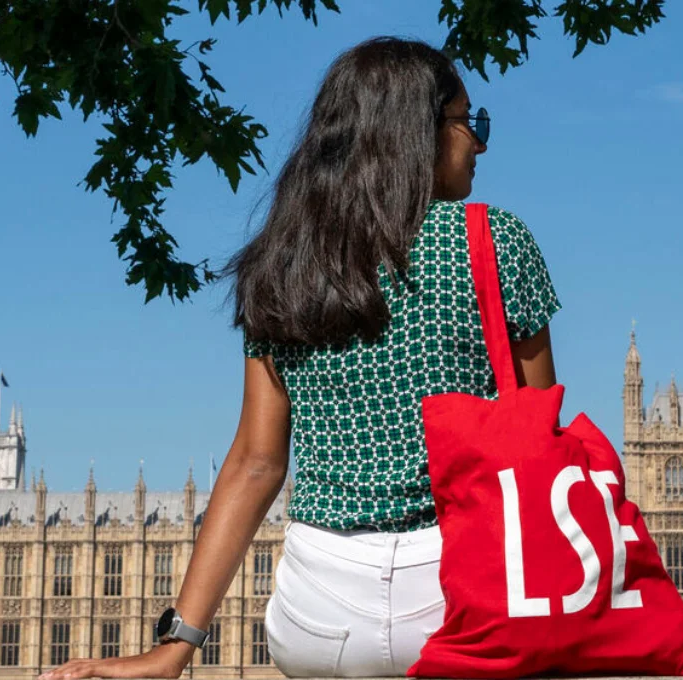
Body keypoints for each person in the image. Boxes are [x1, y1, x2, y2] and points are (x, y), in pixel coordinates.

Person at [38, 36, 558, 680]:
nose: (479, 142)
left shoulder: (281, 265)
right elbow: (539, 439)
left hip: (322, 608)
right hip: (462, 591)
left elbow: (257, 462)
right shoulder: (494, 239)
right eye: (467, 122)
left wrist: (174, 646)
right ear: (414, 134)